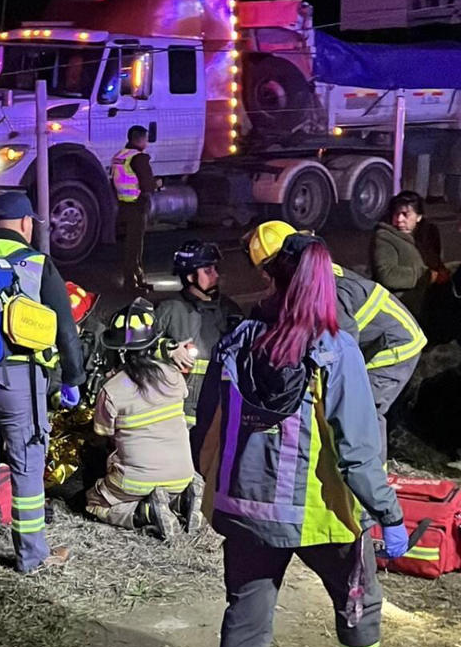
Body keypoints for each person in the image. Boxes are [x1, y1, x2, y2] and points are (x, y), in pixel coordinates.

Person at [191, 234, 412, 647]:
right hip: (321, 514)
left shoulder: (237, 340)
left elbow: (207, 425)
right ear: (321, 285)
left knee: (245, 617)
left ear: (272, 278)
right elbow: (358, 452)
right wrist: (389, 513)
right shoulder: (334, 350)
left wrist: (216, 484)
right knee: (358, 605)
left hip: (245, 511)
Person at [0, 191, 85, 573]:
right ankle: (30, 555)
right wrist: (73, 378)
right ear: (26, 223)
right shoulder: (37, 264)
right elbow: (65, 328)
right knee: (26, 464)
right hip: (17, 381)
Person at [247, 220, 426, 461]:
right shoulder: (306, 276)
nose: (264, 276)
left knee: (362, 406)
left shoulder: (328, 287)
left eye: (268, 267)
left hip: (394, 344)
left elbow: (343, 347)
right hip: (372, 340)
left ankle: (371, 473)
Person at [86, 298, 204, 539]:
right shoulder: (173, 375)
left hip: (135, 483)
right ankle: (181, 502)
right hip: (183, 474)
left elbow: (102, 435)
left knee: (93, 501)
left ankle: (145, 512)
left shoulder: (111, 390)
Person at [156, 241, 244, 429]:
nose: (216, 275)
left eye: (215, 269)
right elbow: (139, 350)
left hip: (220, 408)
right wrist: (168, 349)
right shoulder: (170, 309)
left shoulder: (230, 310)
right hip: (181, 414)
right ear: (190, 276)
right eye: (208, 270)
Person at [371, 191, 450, 336]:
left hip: (430, 305)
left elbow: (436, 261)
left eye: (406, 214)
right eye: (396, 214)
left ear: (418, 217)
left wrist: (441, 271)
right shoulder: (384, 237)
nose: (399, 219)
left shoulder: (429, 233)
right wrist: (424, 275)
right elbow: (387, 275)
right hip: (403, 311)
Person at [111, 125, 158, 292]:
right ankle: (133, 282)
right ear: (141, 139)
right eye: (146, 139)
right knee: (135, 246)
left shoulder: (119, 156)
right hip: (136, 206)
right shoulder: (139, 158)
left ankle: (135, 279)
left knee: (128, 245)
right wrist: (157, 184)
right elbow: (148, 184)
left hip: (122, 205)